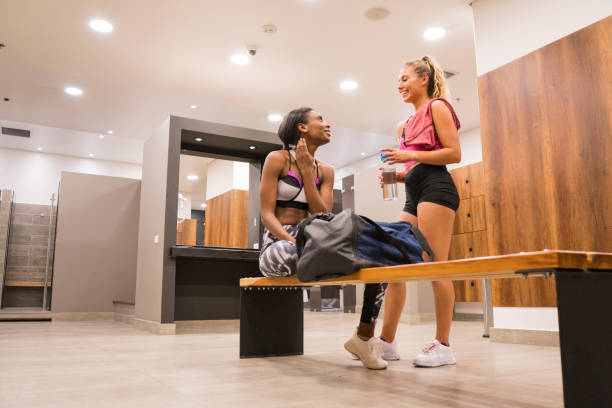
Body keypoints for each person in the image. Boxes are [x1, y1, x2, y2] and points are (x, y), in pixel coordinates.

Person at [260, 107, 388, 369]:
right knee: (288, 251)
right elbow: (266, 213)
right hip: (279, 243)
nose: (327, 124)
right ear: (302, 127)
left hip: (313, 240)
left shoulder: (326, 171)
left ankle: (363, 336)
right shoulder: (277, 159)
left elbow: (322, 215)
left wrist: (308, 173)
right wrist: (291, 240)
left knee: (380, 261)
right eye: (320, 119)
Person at [366, 56, 462, 367]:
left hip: (437, 189)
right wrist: (395, 175)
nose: (400, 85)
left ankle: (444, 345)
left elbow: (453, 153)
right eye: (399, 80)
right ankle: (388, 342)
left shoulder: (438, 107)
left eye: (405, 78)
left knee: (436, 266)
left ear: (424, 79)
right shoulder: (403, 125)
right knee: (395, 263)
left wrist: (406, 154)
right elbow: (415, 165)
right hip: (414, 193)